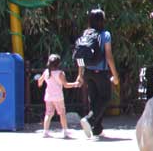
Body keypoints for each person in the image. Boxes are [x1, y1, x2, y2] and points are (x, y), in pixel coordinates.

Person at [78, 8, 119, 140]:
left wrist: (80, 73)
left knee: (95, 100)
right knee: (106, 97)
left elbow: (80, 55)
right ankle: (89, 120)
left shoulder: (86, 34)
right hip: (101, 71)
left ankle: (97, 129)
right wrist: (115, 75)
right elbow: (109, 56)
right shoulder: (105, 34)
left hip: (88, 72)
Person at [37, 54, 80, 138]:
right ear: (58, 64)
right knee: (62, 113)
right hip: (58, 97)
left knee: (48, 114)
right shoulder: (60, 73)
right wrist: (75, 84)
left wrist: (41, 83)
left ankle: (45, 132)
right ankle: (65, 131)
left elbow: (39, 81)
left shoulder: (46, 72)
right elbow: (66, 85)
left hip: (48, 96)